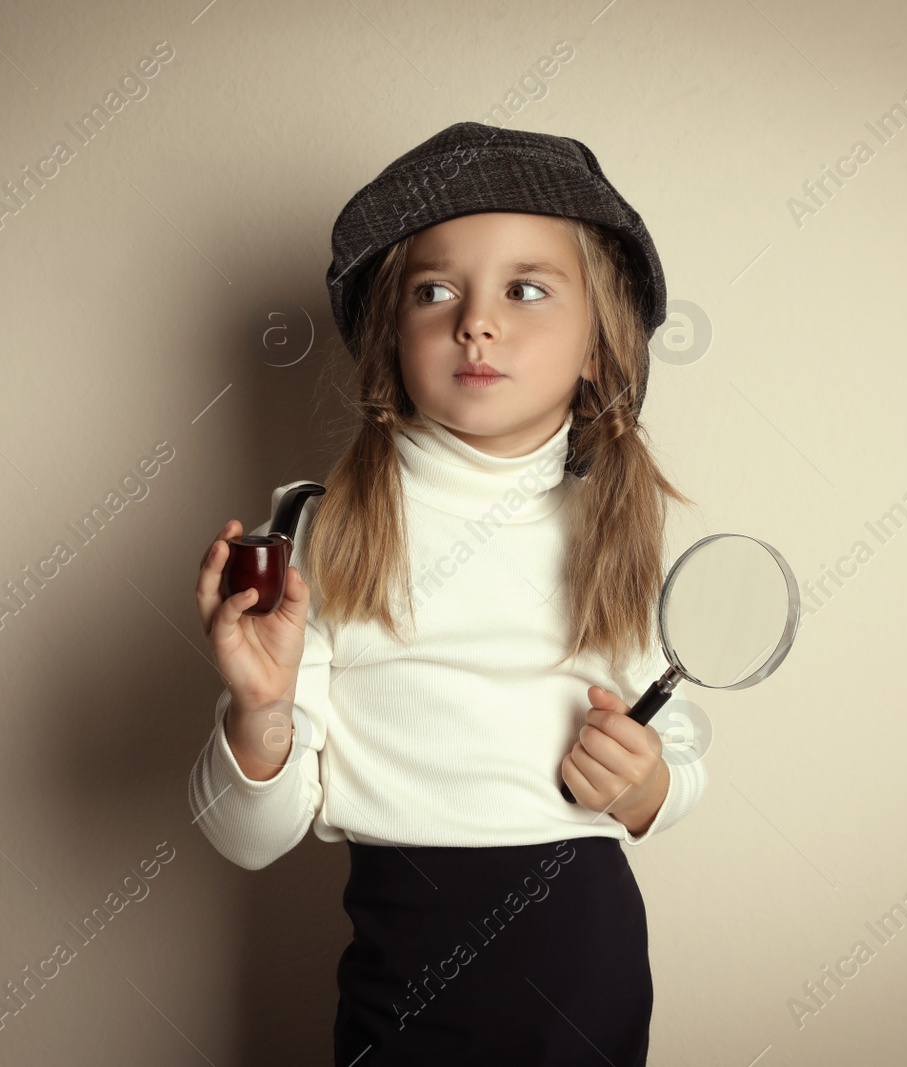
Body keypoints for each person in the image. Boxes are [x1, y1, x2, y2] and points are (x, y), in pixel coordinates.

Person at [189, 121, 707, 1066]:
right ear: (391, 338)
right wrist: (259, 710)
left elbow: (678, 757)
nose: (477, 319)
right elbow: (248, 838)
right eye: (435, 290)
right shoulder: (322, 527)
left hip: (585, 962)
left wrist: (647, 785)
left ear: (599, 343)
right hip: (402, 963)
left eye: (527, 288)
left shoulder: (614, 528)